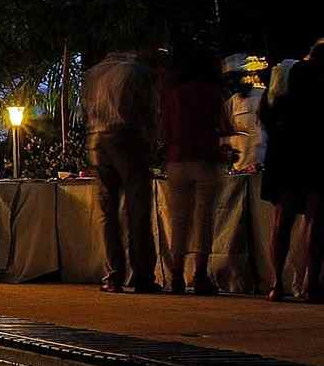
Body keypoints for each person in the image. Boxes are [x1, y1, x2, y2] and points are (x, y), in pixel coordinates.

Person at [260, 40, 324, 302]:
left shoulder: (284, 76)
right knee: (318, 218)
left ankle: (277, 283)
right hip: (317, 151)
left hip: (285, 151)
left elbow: (265, 114)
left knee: (283, 218)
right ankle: (311, 283)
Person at [83, 49, 161, 293]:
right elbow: (148, 110)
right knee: (137, 208)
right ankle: (142, 275)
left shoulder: (93, 74)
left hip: (98, 140)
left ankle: (114, 275)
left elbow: (86, 110)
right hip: (128, 137)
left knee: (108, 212)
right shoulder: (136, 72)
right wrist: (152, 141)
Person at [161, 47, 232, 295]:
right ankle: (200, 274)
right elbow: (224, 126)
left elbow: (164, 129)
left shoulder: (173, 94)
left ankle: (176, 274)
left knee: (179, 220)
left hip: (177, 159)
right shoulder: (213, 93)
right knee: (204, 219)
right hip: (205, 159)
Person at [222, 55, 267, 172]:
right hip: (240, 168)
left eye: (237, 77)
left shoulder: (263, 95)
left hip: (261, 164)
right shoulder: (231, 103)